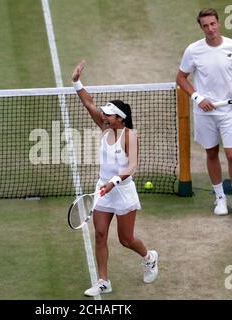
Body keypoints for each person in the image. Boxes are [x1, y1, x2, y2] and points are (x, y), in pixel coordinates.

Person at [72, 60, 158, 297]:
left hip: (122, 191)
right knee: (100, 234)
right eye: (105, 113)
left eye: (109, 114)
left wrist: (114, 183)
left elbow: (131, 167)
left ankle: (149, 257)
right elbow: (89, 103)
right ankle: (103, 281)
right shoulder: (105, 128)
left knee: (126, 239)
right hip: (103, 189)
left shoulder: (130, 136)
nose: (104, 115)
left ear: (120, 118)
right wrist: (76, 82)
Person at [176, 8, 232, 219]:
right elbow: (180, 78)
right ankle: (219, 197)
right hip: (204, 111)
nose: (210, 29)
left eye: (213, 24)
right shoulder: (193, 50)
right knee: (211, 153)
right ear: (201, 27)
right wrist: (198, 98)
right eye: (205, 25)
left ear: (219, 24)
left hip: (228, 109)